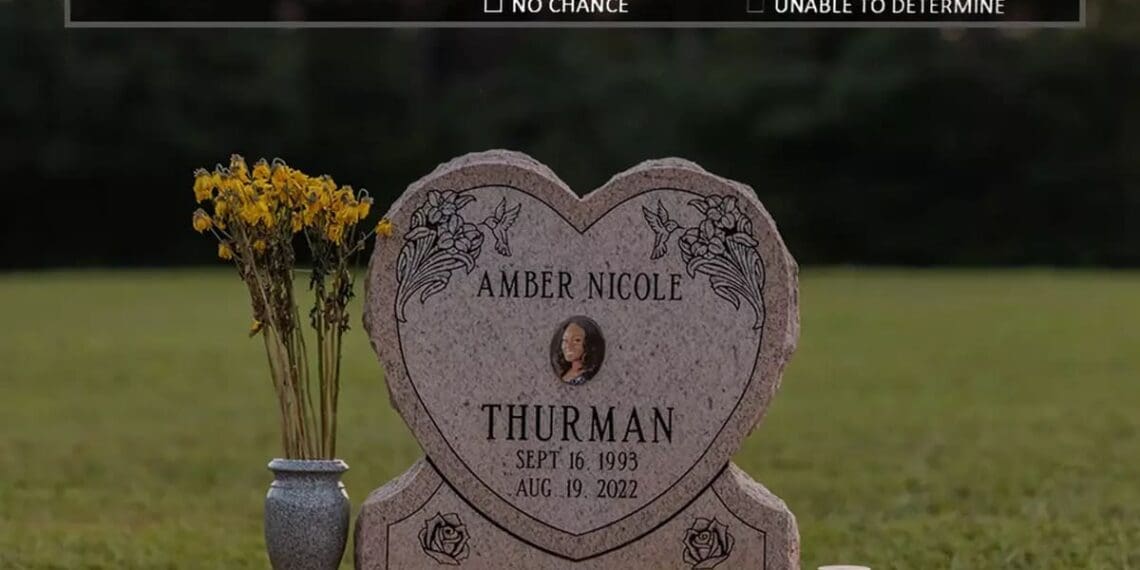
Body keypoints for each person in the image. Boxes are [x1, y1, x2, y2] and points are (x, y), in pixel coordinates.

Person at [551, 316, 605, 385]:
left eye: (576, 340)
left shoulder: (586, 375)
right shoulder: (565, 372)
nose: (569, 346)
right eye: (565, 340)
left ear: (588, 344)